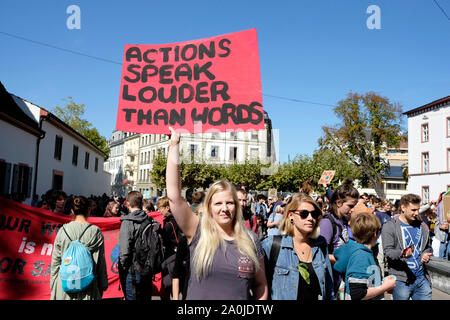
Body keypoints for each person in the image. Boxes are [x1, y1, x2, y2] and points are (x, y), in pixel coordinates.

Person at [166, 127, 267, 300]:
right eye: (218, 203)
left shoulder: (251, 240)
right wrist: (174, 144)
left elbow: (260, 284)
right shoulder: (197, 231)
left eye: (229, 202)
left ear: (237, 206)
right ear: (209, 207)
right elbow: (175, 197)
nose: (224, 208)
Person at [262, 193, 335, 300]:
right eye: (304, 214)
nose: (310, 218)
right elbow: (259, 287)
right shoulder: (271, 245)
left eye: (314, 214)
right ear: (290, 216)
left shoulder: (321, 244)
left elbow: (329, 289)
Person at [50, 196, 108, 300]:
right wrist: (102, 285)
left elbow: (55, 262)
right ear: (89, 210)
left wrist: (53, 284)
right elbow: (100, 262)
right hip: (88, 286)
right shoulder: (95, 232)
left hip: (64, 286)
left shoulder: (63, 230)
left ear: (72, 211)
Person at [381, 194, 433, 300]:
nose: (417, 213)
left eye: (418, 209)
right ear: (403, 208)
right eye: (413, 210)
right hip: (401, 280)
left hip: (421, 279)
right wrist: (402, 253)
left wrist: (425, 254)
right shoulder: (390, 226)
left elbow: (427, 247)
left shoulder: (421, 226)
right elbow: (388, 252)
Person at [334, 212, 396, 300]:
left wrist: (382, 285)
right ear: (375, 234)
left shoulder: (365, 252)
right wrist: (384, 287)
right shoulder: (361, 256)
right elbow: (358, 294)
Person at [319, 179, 359, 297]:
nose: (353, 210)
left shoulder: (343, 220)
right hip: (329, 281)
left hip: (339, 279)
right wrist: (341, 260)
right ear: (339, 203)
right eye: (350, 206)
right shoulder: (327, 223)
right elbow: (319, 254)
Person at [119, 191, 154, 300]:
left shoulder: (128, 221)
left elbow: (124, 251)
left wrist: (123, 267)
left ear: (128, 204)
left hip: (132, 270)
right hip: (148, 270)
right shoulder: (150, 219)